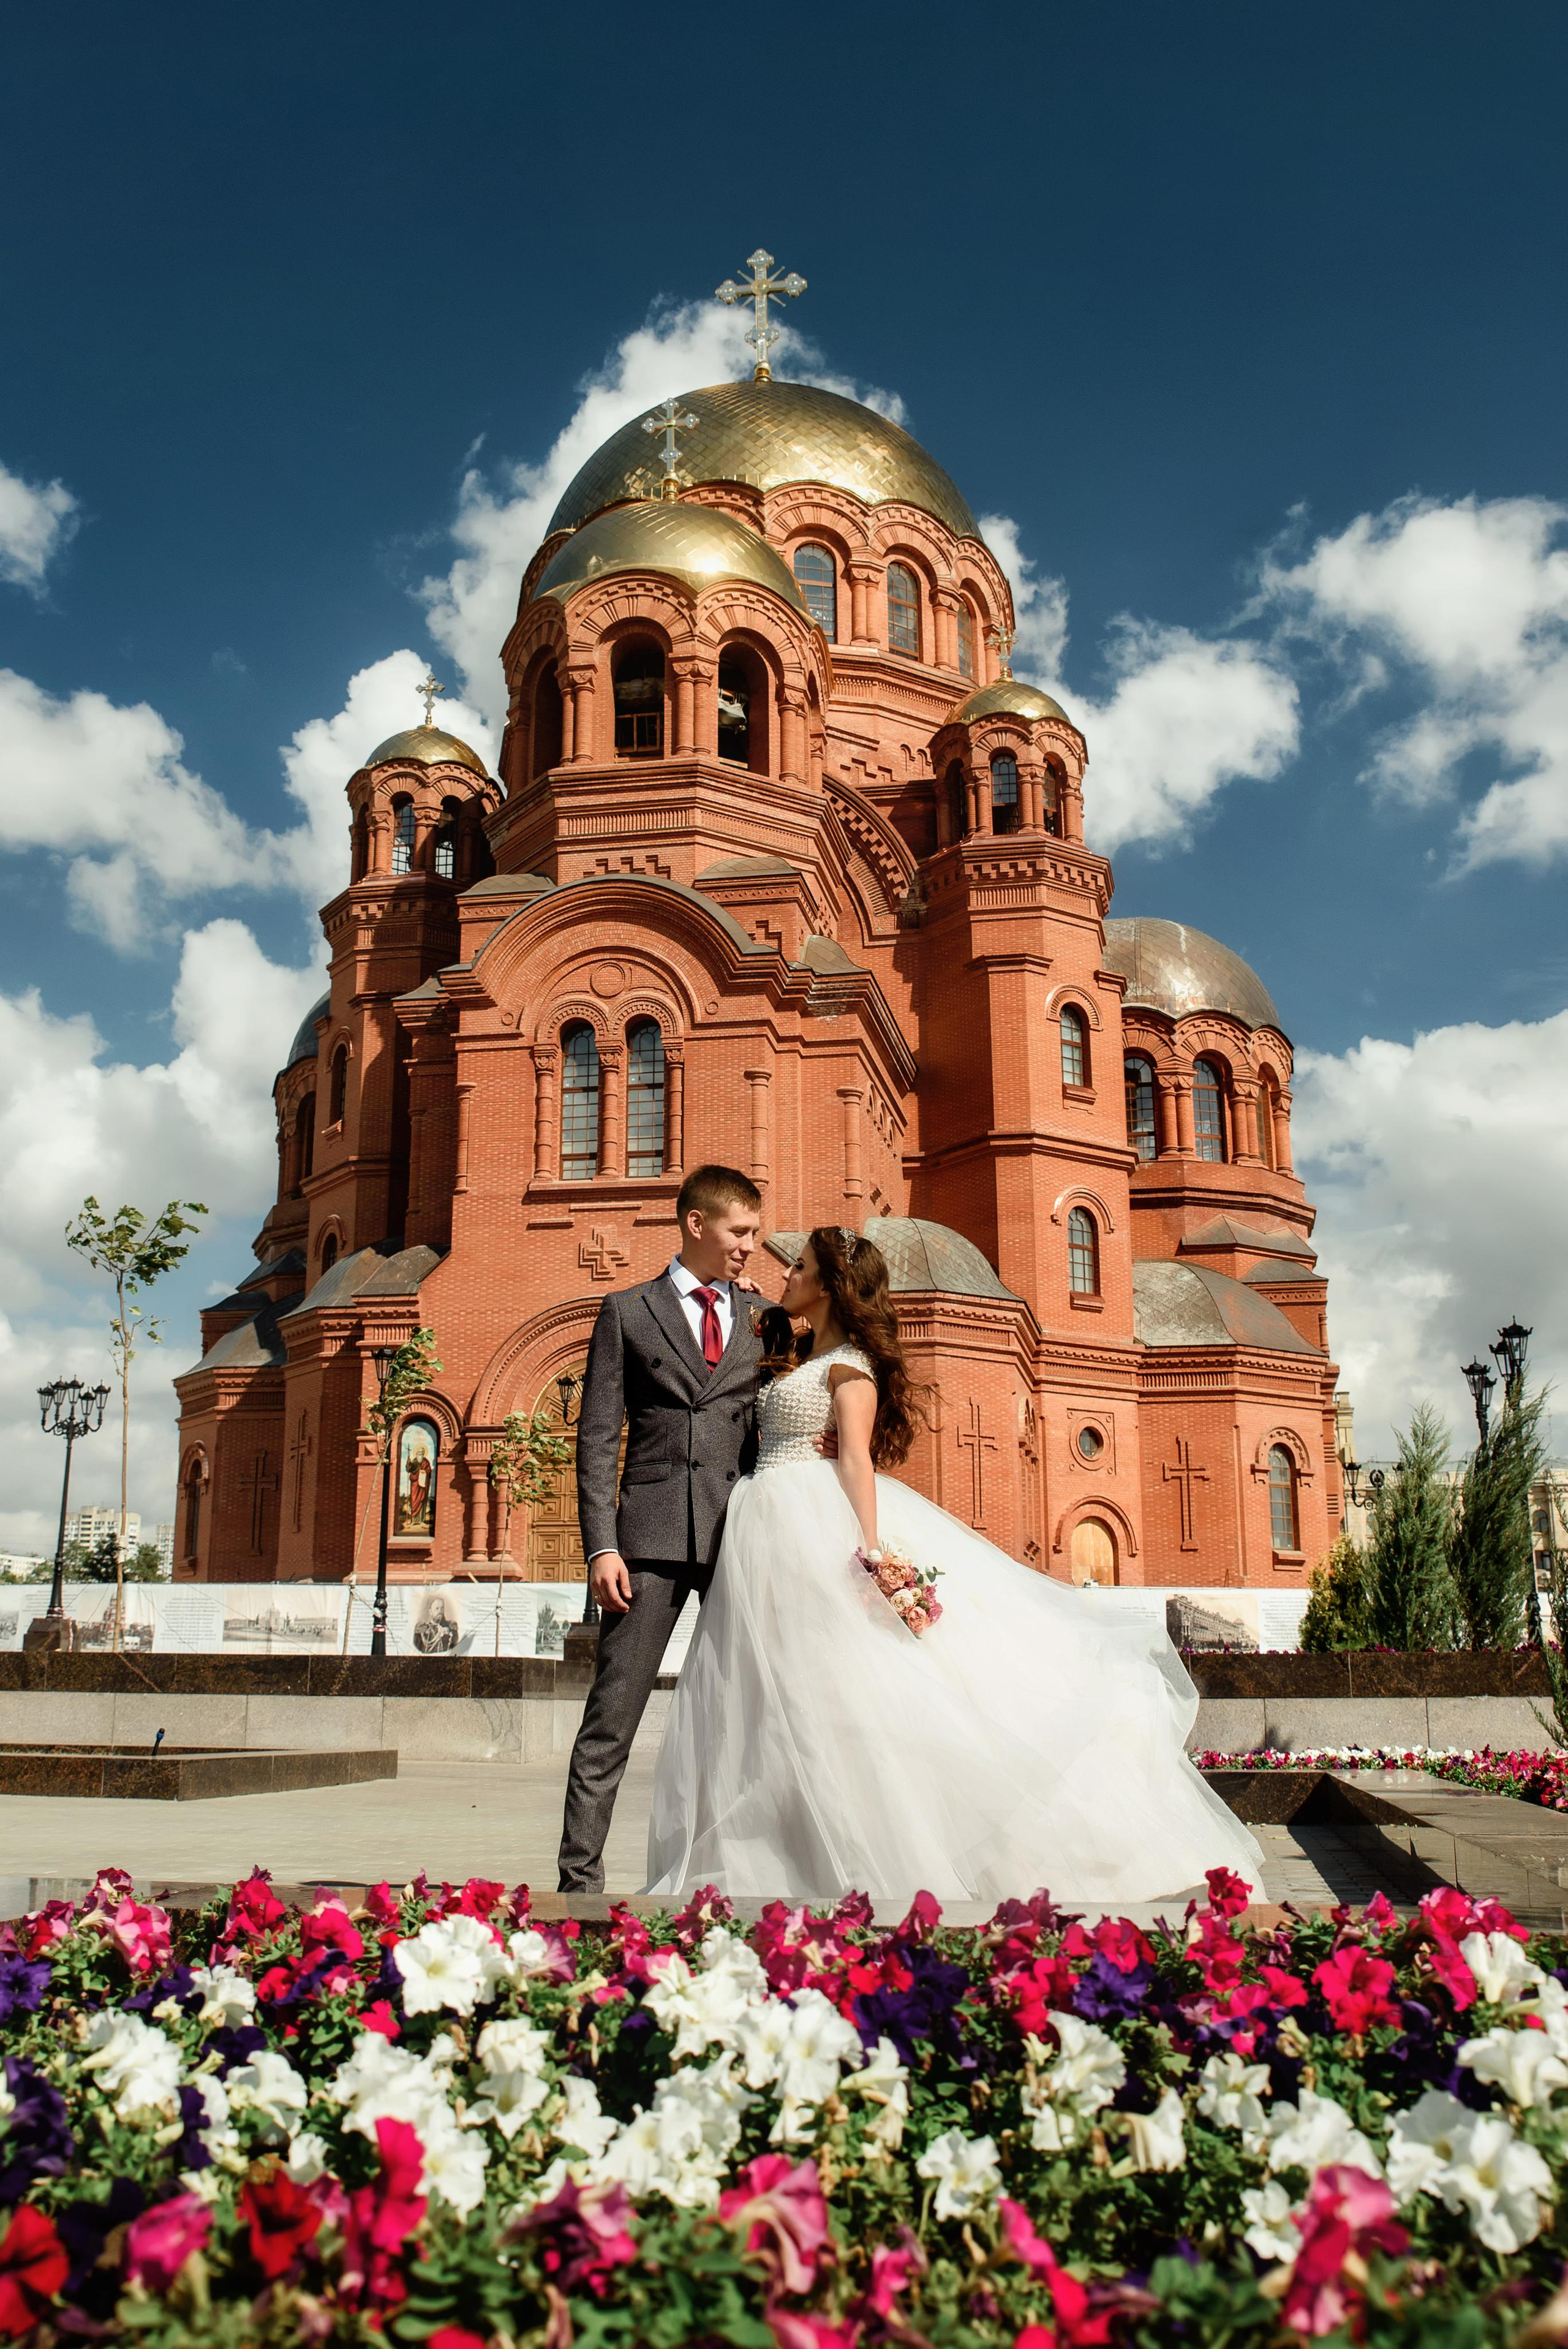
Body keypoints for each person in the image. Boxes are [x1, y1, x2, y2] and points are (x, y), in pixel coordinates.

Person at [646, 1225, 1267, 1907]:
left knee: (832, 1690)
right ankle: (780, 1848)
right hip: (761, 1524)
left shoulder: (850, 1365)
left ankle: (859, 1852)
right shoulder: (795, 1348)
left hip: (805, 1523)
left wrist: (871, 1553)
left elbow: (855, 1460)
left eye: (799, 1267)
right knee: (769, 1691)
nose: (786, 1274)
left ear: (828, 1285)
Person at [557, 1165, 767, 1894]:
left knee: (746, 1715)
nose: (750, 1247)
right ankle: (578, 1885)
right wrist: (600, 1545)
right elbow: (596, 1437)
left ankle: (738, 1874)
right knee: (611, 1717)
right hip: (642, 1543)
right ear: (696, 1224)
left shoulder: (763, 1315)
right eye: (741, 1232)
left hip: (737, 1539)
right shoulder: (627, 1310)